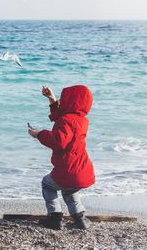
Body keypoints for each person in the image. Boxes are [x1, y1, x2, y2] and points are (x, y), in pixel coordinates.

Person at [28, 85, 95, 230]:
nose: (62, 101)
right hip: (81, 170)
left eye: (63, 99)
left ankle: (55, 217)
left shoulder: (66, 120)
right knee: (70, 190)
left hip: (67, 170)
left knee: (47, 184)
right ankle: (80, 218)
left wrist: (39, 134)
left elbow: (58, 142)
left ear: (70, 102)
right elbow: (61, 117)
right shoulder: (81, 120)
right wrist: (52, 100)